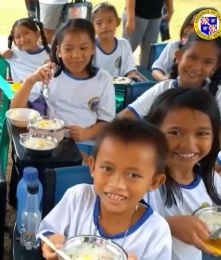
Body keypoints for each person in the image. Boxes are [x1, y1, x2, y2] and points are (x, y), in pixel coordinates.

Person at [39, 118, 171, 260]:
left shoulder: (156, 232)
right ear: (93, 166)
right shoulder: (78, 197)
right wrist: (50, 241)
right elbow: (47, 231)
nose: (117, 184)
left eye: (133, 175)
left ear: (154, 182)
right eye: (107, 168)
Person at [144, 87, 221, 260]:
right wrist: (168, 225)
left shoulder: (213, 181)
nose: (188, 144)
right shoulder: (142, 182)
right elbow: (118, 225)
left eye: (202, 133)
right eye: (175, 133)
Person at [11, 19, 115, 142]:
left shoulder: (103, 78)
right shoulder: (49, 74)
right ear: (59, 51)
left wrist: (87, 133)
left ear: (92, 48)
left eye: (83, 48)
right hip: (49, 141)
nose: (76, 55)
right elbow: (16, 111)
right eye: (68, 49)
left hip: (88, 143)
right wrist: (30, 81)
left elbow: (106, 121)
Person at [118, 32, 221, 120]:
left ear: (215, 67)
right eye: (192, 57)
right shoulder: (163, 89)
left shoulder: (218, 95)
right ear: (178, 57)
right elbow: (126, 116)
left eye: (207, 62)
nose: (197, 67)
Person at [151, 7, 219, 81]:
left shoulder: (215, 53)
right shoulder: (174, 46)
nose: (192, 30)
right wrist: (165, 80)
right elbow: (157, 69)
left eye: (199, 28)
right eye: (191, 25)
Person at [91, 2, 143, 81]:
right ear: (92, 27)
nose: (105, 26)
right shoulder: (90, 46)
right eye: (99, 23)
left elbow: (130, 69)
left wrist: (132, 76)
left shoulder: (124, 44)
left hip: (119, 89)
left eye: (110, 21)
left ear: (117, 22)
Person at [0, 17, 50, 83]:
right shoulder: (14, 54)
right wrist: (1, 52)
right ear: (14, 41)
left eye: (26, 33)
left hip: (48, 91)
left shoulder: (50, 51)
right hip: (23, 92)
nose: (22, 39)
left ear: (37, 34)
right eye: (18, 37)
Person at [123, 0, 174, 68]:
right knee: (127, 49)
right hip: (137, 15)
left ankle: (145, 75)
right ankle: (115, 73)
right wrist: (130, 19)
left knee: (149, 54)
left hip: (156, 16)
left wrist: (170, 11)